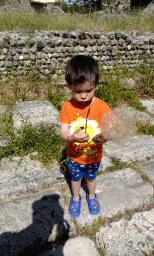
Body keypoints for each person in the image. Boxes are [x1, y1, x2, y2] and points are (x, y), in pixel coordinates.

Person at [58, 55, 113, 217]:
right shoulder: (67, 106)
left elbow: (112, 128)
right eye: (78, 91)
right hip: (75, 157)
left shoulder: (102, 106)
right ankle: (75, 197)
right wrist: (72, 138)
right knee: (75, 179)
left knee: (91, 178)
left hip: (94, 156)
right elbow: (63, 132)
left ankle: (91, 195)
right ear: (69, 87)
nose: (83, 96)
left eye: (88, 91)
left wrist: (105, 136)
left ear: (95, 85)